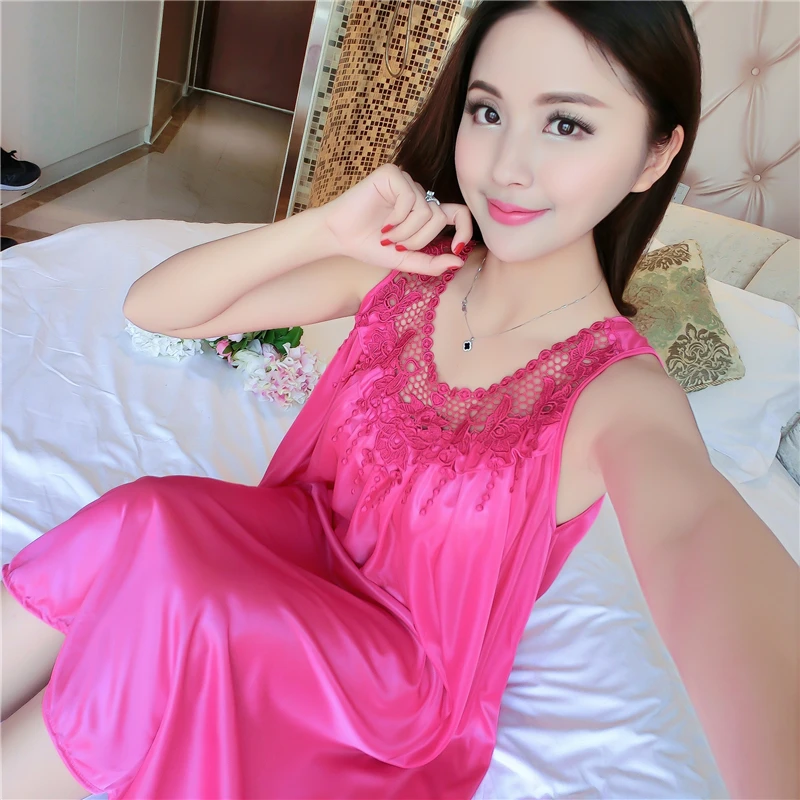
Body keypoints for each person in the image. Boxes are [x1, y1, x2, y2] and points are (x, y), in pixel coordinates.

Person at [2, 2, 797, 798]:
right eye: (488, 112)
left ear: (655, 155)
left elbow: (696, 535)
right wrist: (323, 229)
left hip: (391, 676)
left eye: (566, 125)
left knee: (181, 596)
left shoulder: (617, 393)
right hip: (290, 542)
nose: (507, 167)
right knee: (144, 516)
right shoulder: (416, 272)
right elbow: (154, 309)